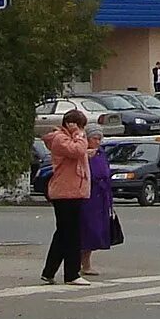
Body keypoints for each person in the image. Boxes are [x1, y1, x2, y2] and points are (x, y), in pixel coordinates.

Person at [40, 111, 102, 283]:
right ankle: (72, 274)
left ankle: (49, 271)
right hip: (65, 192)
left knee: (63, 233)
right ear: (70, 124)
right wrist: (79, 134)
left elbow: (78, 152)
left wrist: (85, 152)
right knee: (72, 234)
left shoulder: (68, 139)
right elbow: (76, 150)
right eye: (80, 126)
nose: (82, 131)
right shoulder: (60, 138)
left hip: (73, 190)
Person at [77, 134, 119, 277]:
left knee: (97, 232)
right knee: (87, 230)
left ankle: (86, 263)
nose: (97, 141)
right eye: (94, 138)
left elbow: (105, 171)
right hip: (88, 197)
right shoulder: (82, 154)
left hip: (101, 197)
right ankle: (80, 264)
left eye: (99, 139)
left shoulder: (100, 153)